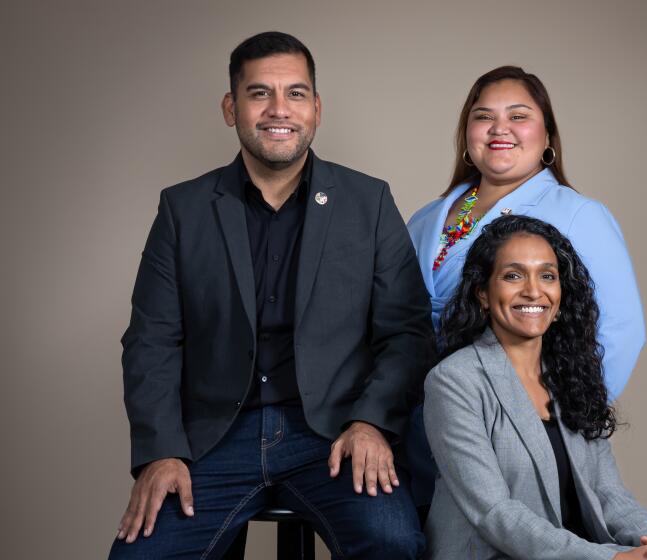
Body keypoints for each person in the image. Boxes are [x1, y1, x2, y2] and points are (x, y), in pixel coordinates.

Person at [109, 31, 432, 560]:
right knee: (139, 557)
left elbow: (408, 331)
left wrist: (371, 421)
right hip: (213, 441)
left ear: (317, 108)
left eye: (296, 94)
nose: (278, 109)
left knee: (393, 541)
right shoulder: (183, 210)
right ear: (230, 107)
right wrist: (161, 452)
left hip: (333, 435)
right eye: (259, 93)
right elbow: (151, 341)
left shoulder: (368, 202)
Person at [406, 65, 645, 508]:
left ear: (548, 135)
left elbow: (622, 330)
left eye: (518, 116)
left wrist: (553, 427)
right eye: (483, 116)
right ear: (467, 133)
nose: (500, 129)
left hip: (511, 434)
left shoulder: (579, 215)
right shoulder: (427, 217)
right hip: (419, 427)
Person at [423, 215, 647, 560]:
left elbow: (608, 492)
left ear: (561, 295)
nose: (533, 290)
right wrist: (611, 558)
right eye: (513, 275)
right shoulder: (454, 381)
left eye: (547, 276)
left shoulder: (571, 375)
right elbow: (495, 513)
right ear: (483, 294)